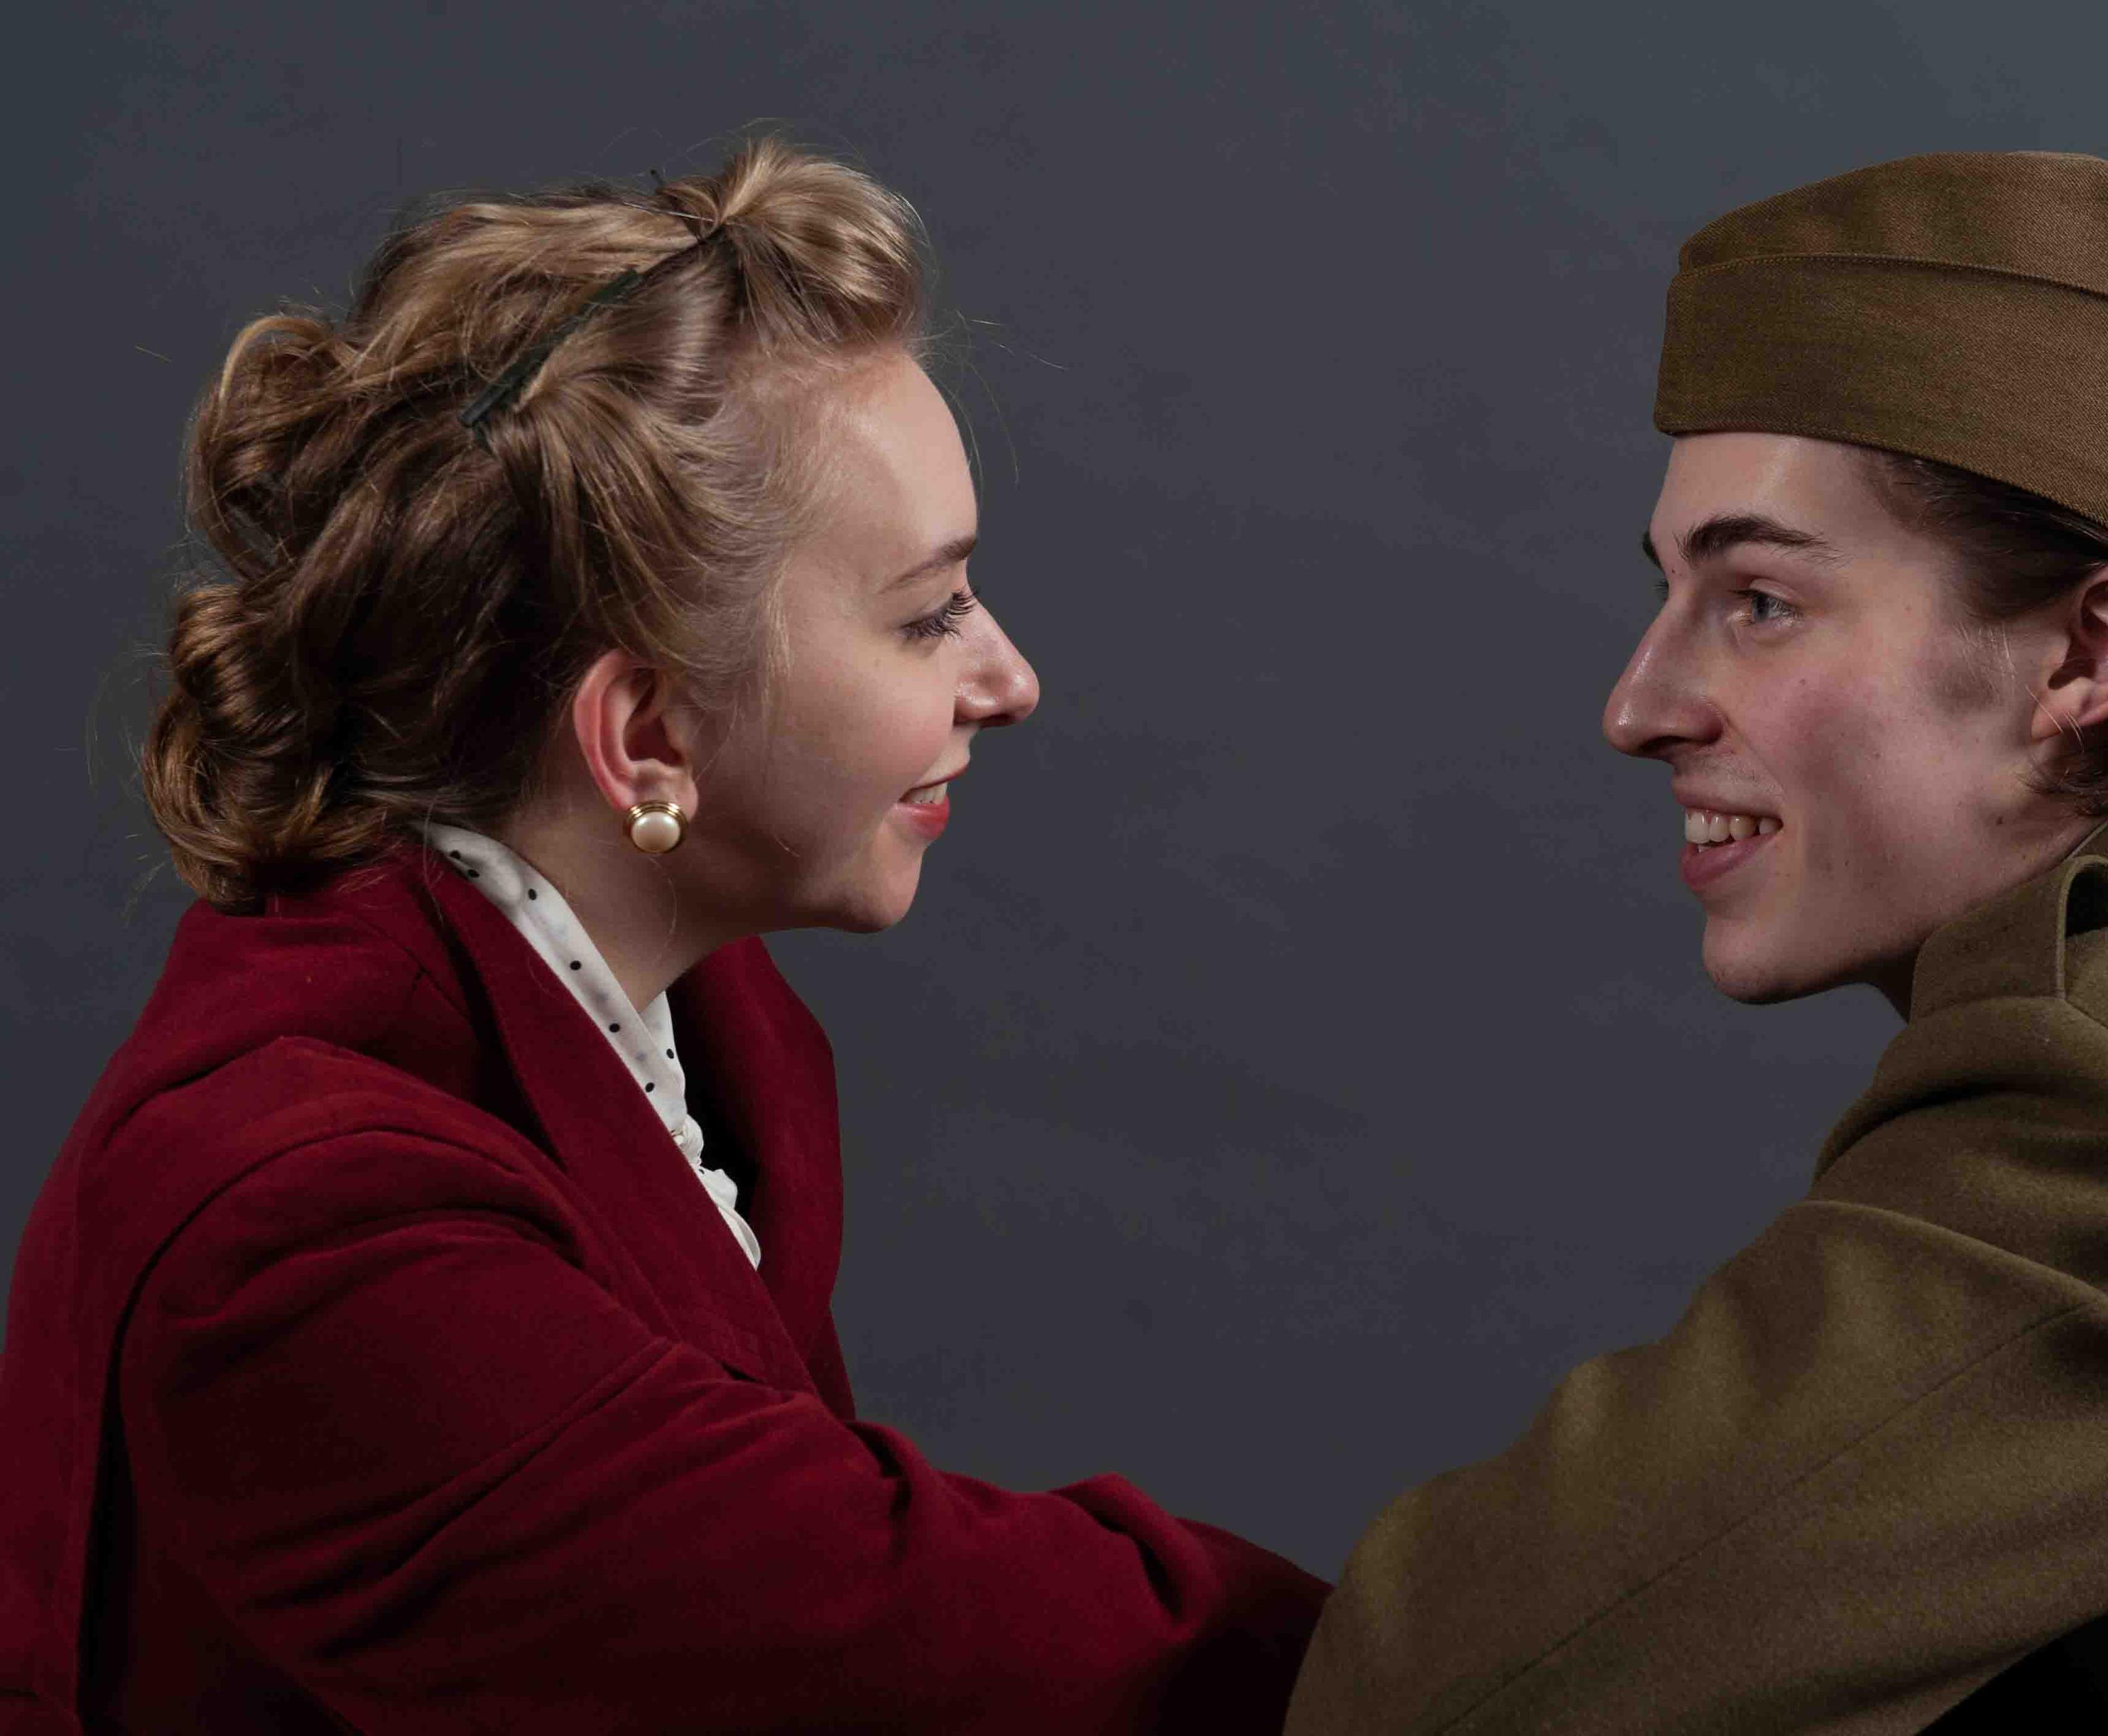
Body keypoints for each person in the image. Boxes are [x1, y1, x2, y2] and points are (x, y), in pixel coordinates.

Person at [0, 138, 1325, 1733]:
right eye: (927, 614)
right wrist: (1456, 1641)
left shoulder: (687, 1027)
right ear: (647, 738)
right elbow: (896, 1639)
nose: (1011, 680)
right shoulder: (303, 1240)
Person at [1283, 150, 2108, 1732]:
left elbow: (1441, 1699)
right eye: (1671, 592)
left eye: (1760, 601)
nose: (1638, 707)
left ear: (2089, 652)